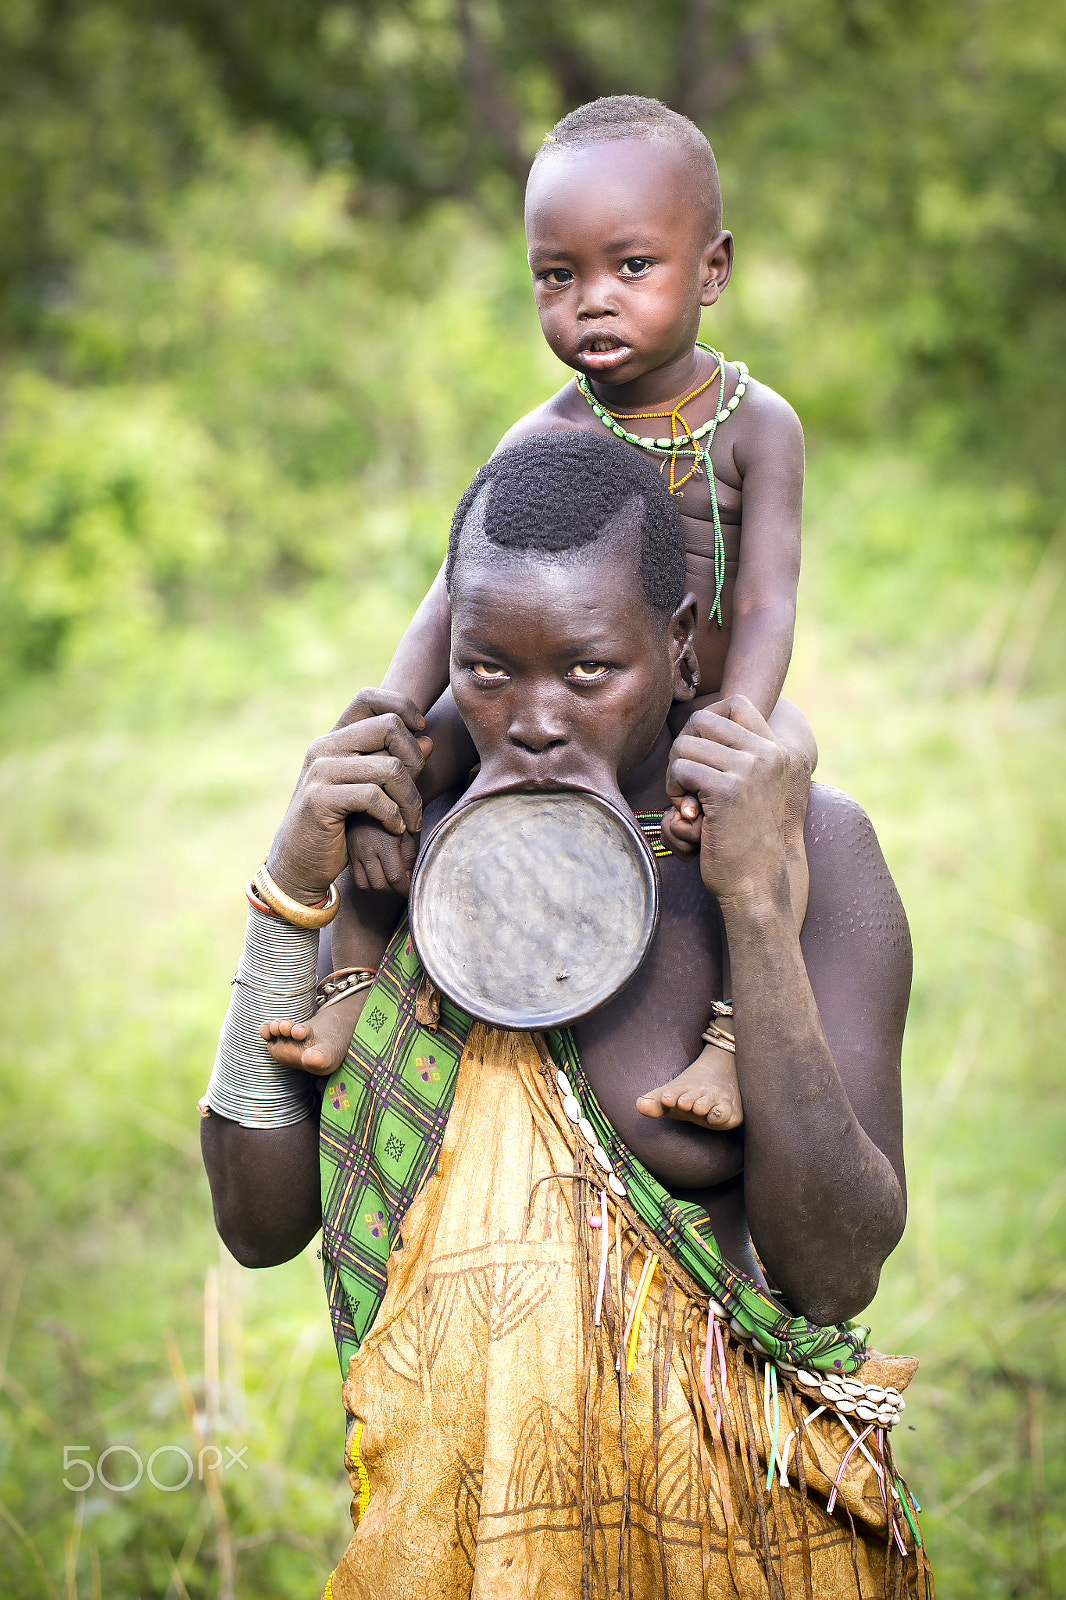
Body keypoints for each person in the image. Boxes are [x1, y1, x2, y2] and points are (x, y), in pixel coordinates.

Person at [200, 433, 931, 1599]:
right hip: (452, 1559)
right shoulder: (403, 860)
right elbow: (256, 1220)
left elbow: (837, 1273)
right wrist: (292, 889)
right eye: (488, 671)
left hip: (735, 1544)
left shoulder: (808, 850)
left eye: (588, 671)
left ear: (682, 648)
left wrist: (750, 902)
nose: (533, 719)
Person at [325, 95, 812, 1132]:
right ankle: (351, 985)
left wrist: (742, 723)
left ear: (712, 269)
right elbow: (450, 594)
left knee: (785, 790)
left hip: (700, 708)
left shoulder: (756, 427)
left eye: (631, 268)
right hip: (551, 698)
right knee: (392, 782)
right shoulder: (537, 433)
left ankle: (731, 1041)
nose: (592, 302)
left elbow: (767, 598)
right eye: (559, 276)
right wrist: (391, 715)